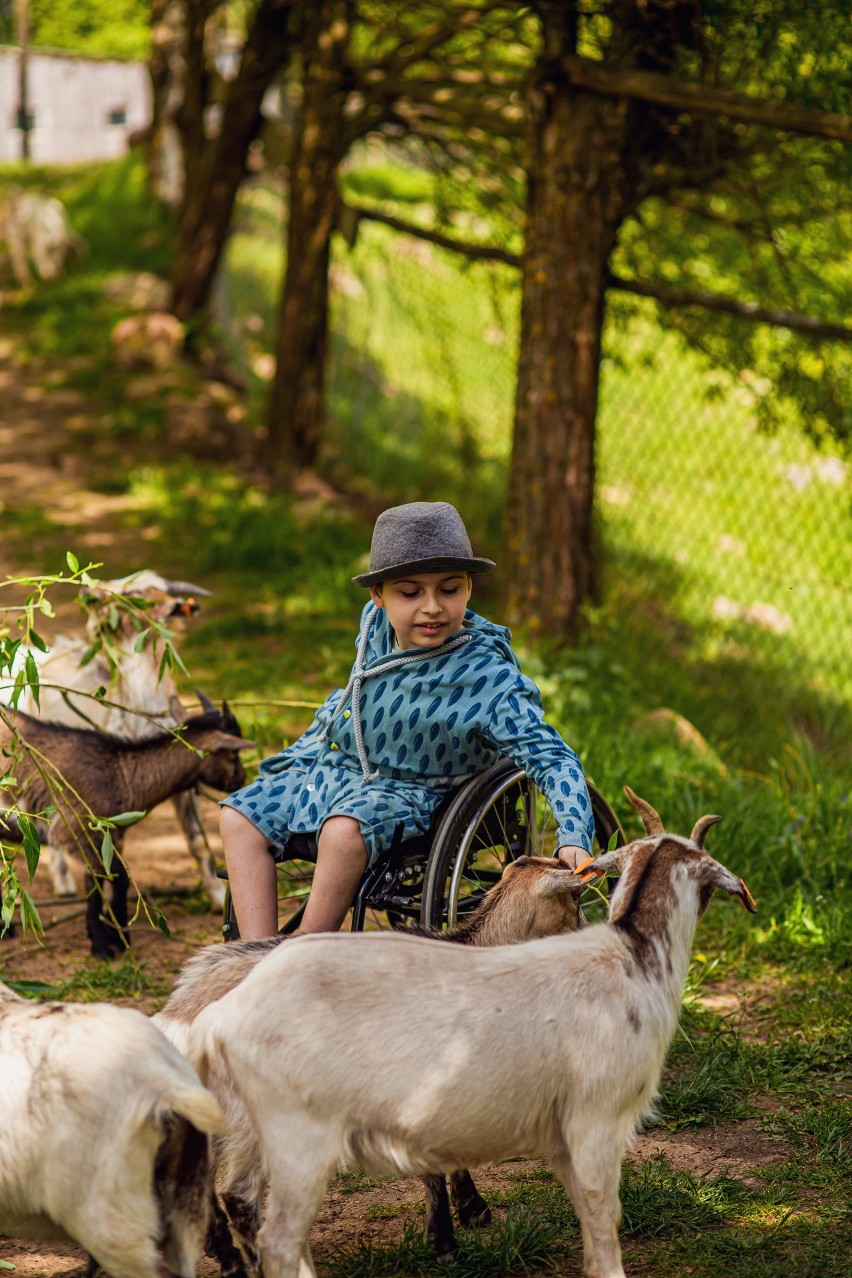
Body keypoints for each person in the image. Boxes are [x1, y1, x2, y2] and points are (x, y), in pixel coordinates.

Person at [220, 501, 595, 939]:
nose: (432, 607)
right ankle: (255, 955)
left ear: (469, 588)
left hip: (415, 793)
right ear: (378, 595)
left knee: (343, 832)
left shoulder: (487, 679)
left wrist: (572, 832)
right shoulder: (374, 627)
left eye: (449, 590)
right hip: (340, 768)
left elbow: (551, 757)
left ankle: (303, 953)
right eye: (410, 593)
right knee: (238, 817)